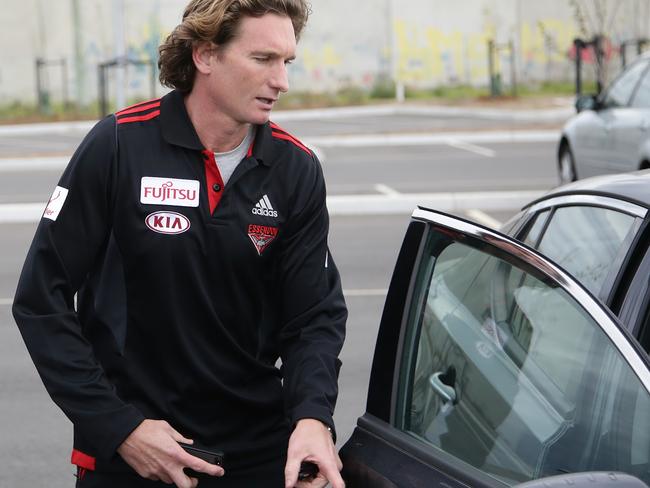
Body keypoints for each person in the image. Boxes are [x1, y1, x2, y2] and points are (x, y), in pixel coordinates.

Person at [12, 0, 347, 487]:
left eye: (287, 62)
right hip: (131, 454)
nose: (282, 81)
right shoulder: (119, 145)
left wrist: (312, 419)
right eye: (263, 59)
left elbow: (313, 317)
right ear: (205, 55)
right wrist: (118, 427)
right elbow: (41, 300)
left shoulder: (295, 170)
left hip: (254, 455)